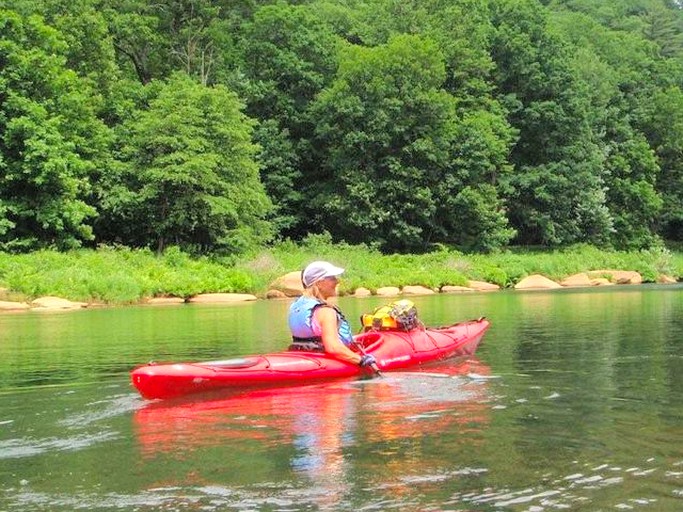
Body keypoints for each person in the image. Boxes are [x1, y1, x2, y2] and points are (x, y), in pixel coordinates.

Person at [288, 261, 377, 369]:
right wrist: (361, 360)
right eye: (332, 278)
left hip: (305, 354)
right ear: (319, 283)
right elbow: (333, 348)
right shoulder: (326, 312)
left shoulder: (295, 306)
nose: (337, 281)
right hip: (326, 361)